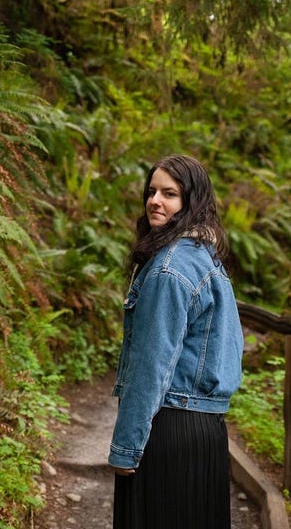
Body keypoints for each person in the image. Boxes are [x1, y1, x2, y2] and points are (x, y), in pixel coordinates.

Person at [109, 154, 244, 528]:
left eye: (170, 193)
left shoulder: (169, 269)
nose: (155, 201)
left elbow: (151, 367)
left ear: (192, 201)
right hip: (206, 433)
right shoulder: (206, 258)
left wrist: (126, 450)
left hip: (168, 430)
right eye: (152, 191)